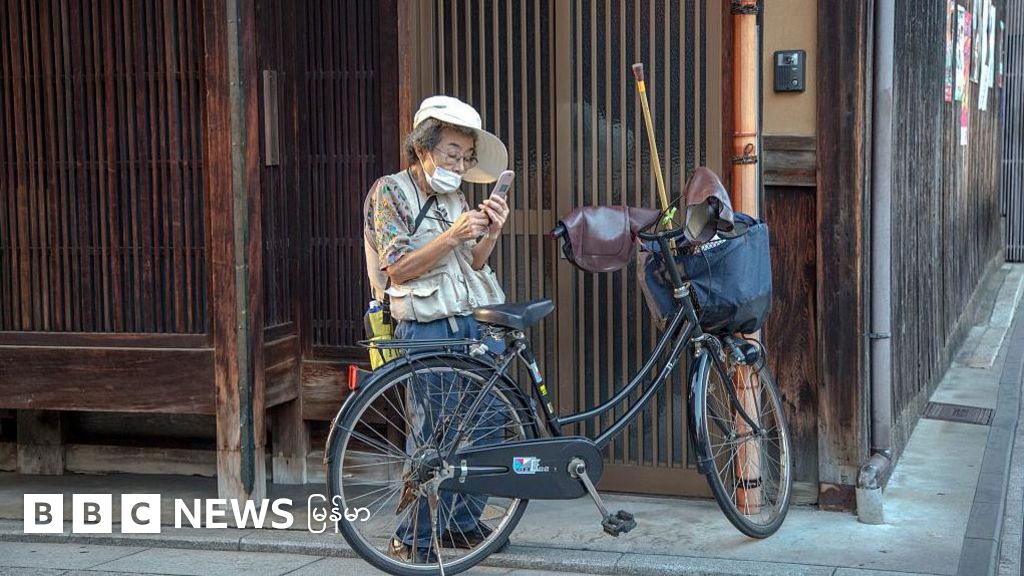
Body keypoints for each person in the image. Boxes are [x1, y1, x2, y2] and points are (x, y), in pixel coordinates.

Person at [363, 95, 511, 562]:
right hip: (425, 326)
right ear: (423, 148)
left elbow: (473, 264)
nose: (460, 165)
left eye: (466, 157)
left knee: (490, 420)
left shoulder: (455, 197)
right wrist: (451, 235)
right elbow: (396, 269)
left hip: (470, 320)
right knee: (434, 438)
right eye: (452, 153)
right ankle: (414, 536)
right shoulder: (390, 192)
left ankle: (461, 522)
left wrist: (491, 231)